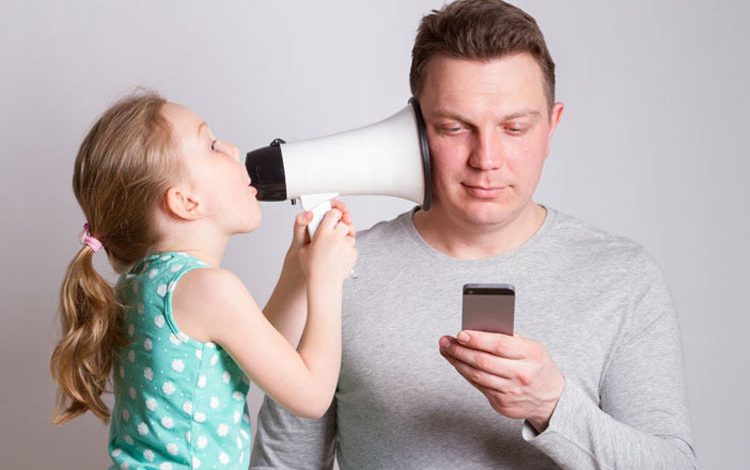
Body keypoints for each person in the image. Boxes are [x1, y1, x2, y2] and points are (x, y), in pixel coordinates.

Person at [250, 1, 697, 468]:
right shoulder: (334, 272)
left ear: (552, 126)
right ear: (416, 130)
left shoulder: (623, 278)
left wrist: (551, 405)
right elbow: (283, 463)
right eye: (454, 128)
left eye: (514, 128)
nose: (486, 159)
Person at [49, 91, 358, 469]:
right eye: (211, 145)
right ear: (186, 202)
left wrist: (297, 273)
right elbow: (311, 396)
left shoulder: (140, 285)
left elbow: (252, 358)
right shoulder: (210, 289)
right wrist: (327, 281)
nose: (232, 148)